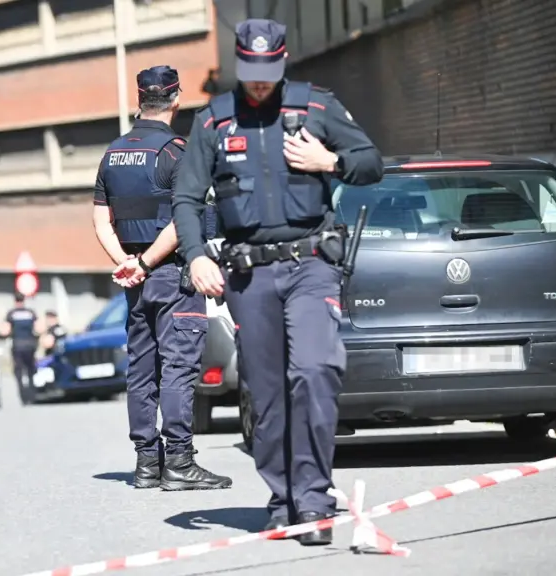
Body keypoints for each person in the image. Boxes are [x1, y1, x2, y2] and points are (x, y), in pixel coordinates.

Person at [172, 19, 383, 544]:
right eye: (251, 72)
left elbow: (371, 163)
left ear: (284, 62)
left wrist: (328, 160)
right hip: (249, 276)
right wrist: (196, 255)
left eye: (269, 72)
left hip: (311, 264)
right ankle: (283, 498)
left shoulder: (316, 107)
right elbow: (186, 198)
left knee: (314, 370)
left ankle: (313, 501)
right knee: (265, 396)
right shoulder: (214, 122)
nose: (260, 82)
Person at [93, 65, 231, 491]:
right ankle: (180, 463)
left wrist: (126, 263)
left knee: (141, 369)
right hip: (169, 275)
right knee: (178, 367)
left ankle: (146, 464)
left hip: (135, 282)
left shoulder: (113, 153)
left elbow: (101, 220)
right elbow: (182, 218)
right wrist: (148, 263)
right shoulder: (177, 151)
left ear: (140, 100)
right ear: (176, 99)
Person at [1, 293, 41, 404]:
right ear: (24, 301)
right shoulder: (31, 313)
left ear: (15, 301)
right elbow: (38, 329)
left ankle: (23, 397)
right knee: (30, 371)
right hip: (30, 345)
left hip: (17, 345)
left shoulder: (11, 314)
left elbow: (5, 331)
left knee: (19, 372)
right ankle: (32, 395)